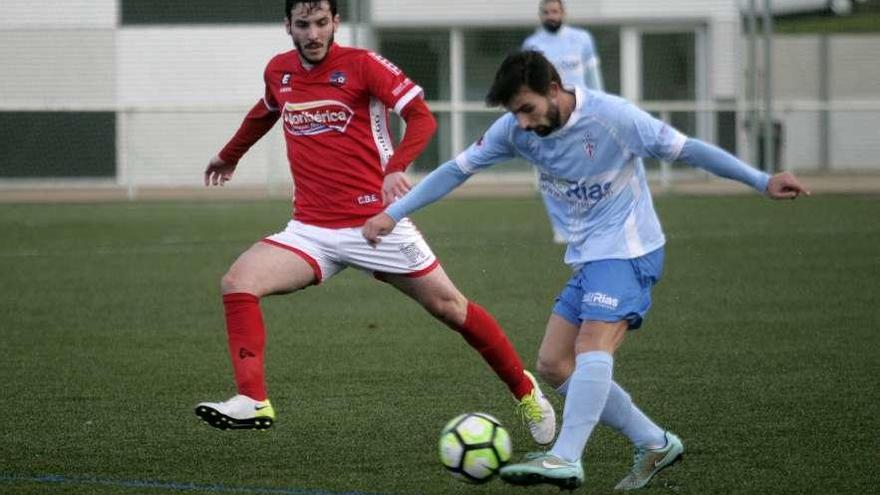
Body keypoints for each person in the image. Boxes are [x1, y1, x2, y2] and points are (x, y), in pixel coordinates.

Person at [362, 50, 810, 490]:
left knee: (594, 343)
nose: (521, 122)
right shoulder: (516, 131)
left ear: (553, 89)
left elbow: (688, 150)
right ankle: (654, 442)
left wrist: (761, 180)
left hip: (631, 250)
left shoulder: (614, 118)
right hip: (590, 258)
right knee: (555, 365)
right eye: (514, 113)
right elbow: (455, 171)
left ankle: (566, 457)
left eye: (527, 109)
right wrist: (395, 213)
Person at [195, 0, 555, 446]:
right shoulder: (279, 71)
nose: (313, 34)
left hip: (376, 223)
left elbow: (421, 117)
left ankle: (526, 393)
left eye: (322, 23)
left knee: (451, 308)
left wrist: (396, 168)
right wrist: (228, 156)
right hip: (311, 229)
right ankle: (253, 399)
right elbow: (264, 111)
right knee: (238, 282)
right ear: (287, 25)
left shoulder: (364, 66)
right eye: (303, 24)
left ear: (336, 23)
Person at [523, 0, 604, 244]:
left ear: (563, 13)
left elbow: (594, 78)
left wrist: (598, 107)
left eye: (555, 11)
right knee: (550, 173)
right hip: (547, 119)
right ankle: (562, 228)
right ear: (540, 15)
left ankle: (590, 222)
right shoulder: (532, 45)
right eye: (546, 12)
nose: (551, 16)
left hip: (580, 115)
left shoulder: (582, 40)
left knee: (588, 169)